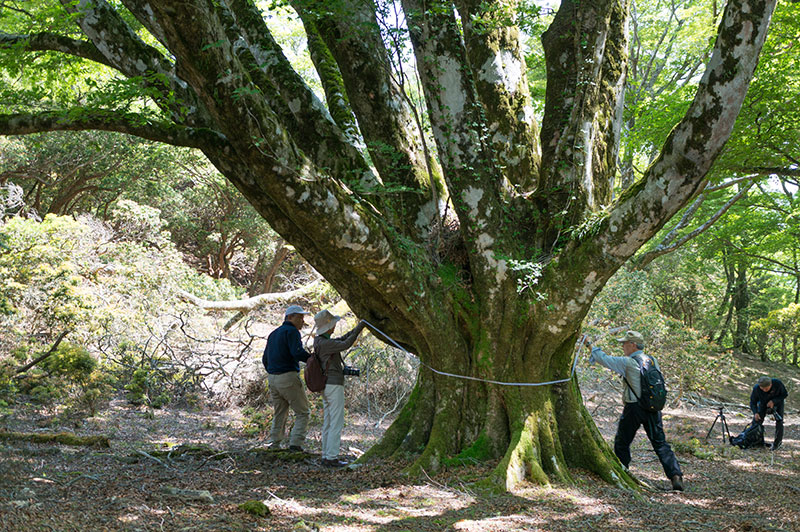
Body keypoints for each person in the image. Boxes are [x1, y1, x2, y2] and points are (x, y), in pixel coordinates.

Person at [586, 330, 684, 491]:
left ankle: (622, 471)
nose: (623, 346)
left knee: (622, 441)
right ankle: (675, 475)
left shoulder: (628, 362)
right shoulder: (653, 360)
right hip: (653, 408)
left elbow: (604, 359)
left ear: (633, 345)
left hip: (634, 407)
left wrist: (589, 344)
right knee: (660, 443)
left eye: (625, 343)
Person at [313, 309, 366, 467]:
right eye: (333, 325)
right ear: (328, 327)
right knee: (336, 421)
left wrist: (357, 328)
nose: (334, 327)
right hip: (333, 385)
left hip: (326, 385)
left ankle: (326, 455)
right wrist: (360, 327)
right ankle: (332, 458)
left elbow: (342, 339)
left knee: (329, 422)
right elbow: (346, 343)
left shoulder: (321, 341)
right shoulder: (326, 343)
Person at [263, 304, 313, 451]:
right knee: (303, 412)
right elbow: (297, 352)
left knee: (280, 412)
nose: (302, 321)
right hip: (288, 377)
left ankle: (275, 444)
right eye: (300, 317)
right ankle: (295, 444)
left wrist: (273, 371)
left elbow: (265, 359)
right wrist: (312, 359)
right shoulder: (292, 332)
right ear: (289, 317)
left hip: (272, 378)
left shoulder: (274, 333)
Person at [750, 376, 788, 450]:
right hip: (763, 404)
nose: (764, 390)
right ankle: (756, 441)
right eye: (762, 388)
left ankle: (777, 444)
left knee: (779, 422)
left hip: (778, 403)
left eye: (766, 388)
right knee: (757, 421)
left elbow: (784, 394)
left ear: (771, 384)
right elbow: (753, 402)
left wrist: (774, 401)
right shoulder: (756, 388)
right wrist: (755, 413)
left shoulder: (778, 384)